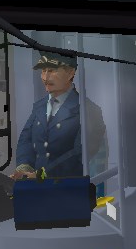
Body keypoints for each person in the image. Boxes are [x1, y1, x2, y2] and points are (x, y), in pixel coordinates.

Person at [13, 52, 108, 182]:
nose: (45, 77)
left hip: (67, 185)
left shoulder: (88, 110)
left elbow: (80, 153)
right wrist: (24, 167)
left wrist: (42, 175)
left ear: (70, 73)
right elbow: (26, 139)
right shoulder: (39, 106)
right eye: (43, 71)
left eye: (52, 70)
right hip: (35, 183)